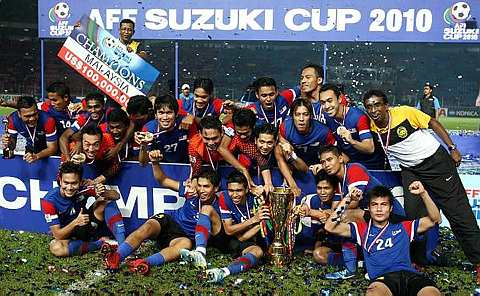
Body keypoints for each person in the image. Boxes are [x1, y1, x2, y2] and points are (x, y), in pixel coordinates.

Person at [363, 89, 480, 284]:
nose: (373, 110)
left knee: (458, 214)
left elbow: (433, 123)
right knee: (413, 216)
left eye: (377, 105)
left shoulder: (405, 113)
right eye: (369, 106)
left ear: (386, 106)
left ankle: (478, 261)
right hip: (411, 170)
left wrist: (452, 148)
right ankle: (417, 260)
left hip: (436, 163)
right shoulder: (372, 127)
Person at [103, 151, 221, 274]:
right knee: (147, 227)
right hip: (170, 221)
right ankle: (116, 257)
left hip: (183, 237)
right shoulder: (191, 192)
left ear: (216, 188)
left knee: (185, 245)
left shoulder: (218, 207)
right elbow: (163, 180)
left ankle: (144, 262)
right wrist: (155, 163)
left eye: (206, 187)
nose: (201, 190)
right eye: (200, 186)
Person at [325, 183, 441, 296]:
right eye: (374, 205)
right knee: (373, 293)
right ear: (369, 209)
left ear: (390, 208)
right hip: (384, 279)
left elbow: (435, 219)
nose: (379, 209)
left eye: (384, 204)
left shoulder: (404, 227)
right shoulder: (362, 230)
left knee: (432, 293)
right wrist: (347, 198)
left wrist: (423, 193)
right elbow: (329, 226)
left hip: (410, 275)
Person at [41, 161, 125, 257]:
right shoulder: (49, 201)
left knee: (105, 201)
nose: (69, 187)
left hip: (88, 226)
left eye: (74, 183)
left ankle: (122, 246)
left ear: (80, 182)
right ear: (60, 181)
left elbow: (116, 196)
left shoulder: (84, 187)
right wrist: (76, 222)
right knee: (57, 248)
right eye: (66, 183)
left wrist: (103, 191)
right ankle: (99, 243)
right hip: (69, 235)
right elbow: (57, 235)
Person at [206, 171, 269, 283]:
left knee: (258, 251)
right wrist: (254, 220)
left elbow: (243, 238)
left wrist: (264, 193)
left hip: (248, 241)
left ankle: (224, 271)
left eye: (239, 190)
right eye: (231, 190)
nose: (234, 195)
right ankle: (199, 251)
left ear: (246, 190)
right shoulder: (224, 197)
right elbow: (229, 230)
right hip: (228, 238)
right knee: (207, 209)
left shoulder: (256, 199)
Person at [276, 98, 336, 197]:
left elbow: (336, 155)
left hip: (315, 167)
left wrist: (323, 165)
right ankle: (291, 184)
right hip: (295, 162)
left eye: (305, 114)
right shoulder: (285, 128)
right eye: (297, 114)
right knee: (278, 148)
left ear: (311, 116)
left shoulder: (323, 132)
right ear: (292, 116)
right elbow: (281, 152)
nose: (301, 119)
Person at [319, 84, 386, 170]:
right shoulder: (327, 118)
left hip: (373, 165)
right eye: (323, 103)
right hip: (351, 164)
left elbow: (370, 148)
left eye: (330, 101)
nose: (326, 106)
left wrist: (351, 140)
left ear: (339, 99)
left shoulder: (358, 117)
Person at [219, 109, 273, 192]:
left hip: (259, 160)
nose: (243, 136)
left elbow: (260, 158)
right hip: (233, 159)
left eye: (246, 133)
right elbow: (222, 148)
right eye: (239, 133)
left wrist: (268, 183)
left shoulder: (260, 127)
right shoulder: (232, 126)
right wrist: (243, 169)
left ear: (253, 127)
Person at [138, 94, 197, 164]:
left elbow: (196, 153)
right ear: (156, 115)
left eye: (169, 113)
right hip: (160, 168)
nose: (165, 117)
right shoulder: (148, 128)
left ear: (176, 114)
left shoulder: (187, 124)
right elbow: (143, 163)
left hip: (185, 166)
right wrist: (143, 146)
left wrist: (192, 117)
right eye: (161, 113)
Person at [2, 96, 58, 162]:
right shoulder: (13, 120)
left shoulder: (48, 120)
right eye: (27, 116)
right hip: (31, 149)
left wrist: (37, 156)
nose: (32, 119)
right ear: (19, 114)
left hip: (48, 152)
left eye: (35, 114)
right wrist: (8, 142)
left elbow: (52, 148)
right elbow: (12, 146)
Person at [59, 92, 108, 160]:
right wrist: (68, 159)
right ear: (86, 108)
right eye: (90, 107)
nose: (93, 110)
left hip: (105, 152)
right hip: (88, 151)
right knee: (73, 146)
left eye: (96, 106)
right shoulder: (83, 118)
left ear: (103, 106)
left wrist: (118, 147)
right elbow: (64, 137)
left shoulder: (109, 116)